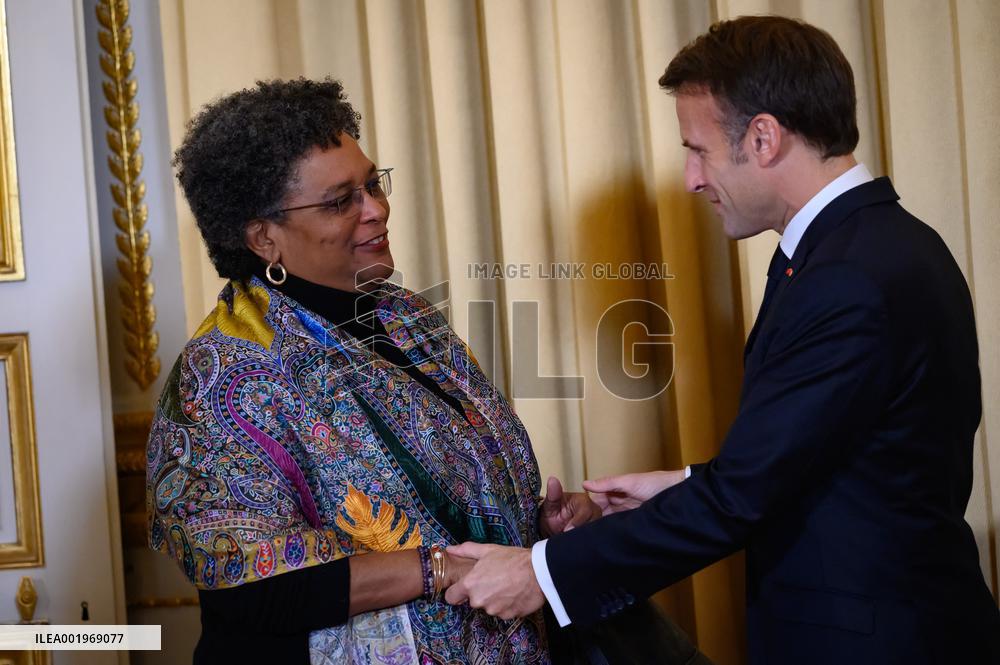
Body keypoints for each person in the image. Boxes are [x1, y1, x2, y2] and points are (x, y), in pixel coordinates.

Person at [445, 16, 1000, 665]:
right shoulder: (886, 243)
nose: (691, 179)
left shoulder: (846, 275)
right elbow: (839, 454)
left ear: (763, 137)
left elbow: (742, 499)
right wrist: (681, 483)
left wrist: (541, 572)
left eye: (698, 149)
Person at [146, 78, 605, 664]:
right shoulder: (222, 378)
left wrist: (539, 531)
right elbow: (253, 587)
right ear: (264, 238)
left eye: (372, 185)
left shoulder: (407, 316)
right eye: (341, 201)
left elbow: (449, 501)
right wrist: (438, 568)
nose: (377, 210)